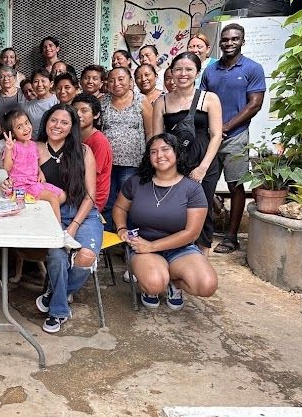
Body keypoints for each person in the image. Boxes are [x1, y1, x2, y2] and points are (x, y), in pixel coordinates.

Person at [112, 133, 218, 310]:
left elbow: (192, 233)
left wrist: (152, 246)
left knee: (206, 285)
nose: (159, 155)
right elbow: (119, 208)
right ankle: (154, 281)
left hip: (180, 248)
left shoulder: (192, 188)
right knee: (154, 284)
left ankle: (175, 283)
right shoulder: (137, 182)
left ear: (177, 153)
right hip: (143, 245)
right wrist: (122, 228)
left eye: (165, 149)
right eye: (153, 152)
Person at [32, 105, 103, 333]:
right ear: (46, 121)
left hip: (83, 213)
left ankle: (54, 292)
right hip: (51, 214)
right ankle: (58, 311)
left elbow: (91, 195)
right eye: (54, 120)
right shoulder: (34, 149)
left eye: (64, 122)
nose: (57, 126)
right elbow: (21, 180)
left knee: (87, 256)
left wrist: (74, 226)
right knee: (57, 256)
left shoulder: (83, 152)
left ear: (72, 127)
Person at [199, 23, 265, 254]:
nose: (229, 43)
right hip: (210, 136)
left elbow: (255, 104)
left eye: (234, 39)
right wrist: (210, 128)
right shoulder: (210, 71)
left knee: (235, 186)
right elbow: (202, 102)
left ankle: (231, 236)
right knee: (204, 185)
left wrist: (225, 126)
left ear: (242, 41)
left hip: (236, 136)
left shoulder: (252, 68)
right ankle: (202, 234)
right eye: (225, 40)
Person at [154, 52, 222, 253]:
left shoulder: (209, 98)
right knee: (175, 209)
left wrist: (203, 168)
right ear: (172, 73)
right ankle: (176, 253)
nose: (183, 74)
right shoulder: (162, 102)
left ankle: (202, 258)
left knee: (203, 209)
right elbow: (157, 139)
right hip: (175, 164)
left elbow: (216, 135)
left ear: (197, 73)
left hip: (204, 162)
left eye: (189, 69)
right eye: (178, 69)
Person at [101, 67, 153, 230]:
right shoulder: (103, 101)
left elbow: (150, 131)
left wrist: (149, 158)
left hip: (133, 162)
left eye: (121, 79)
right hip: (107, 163)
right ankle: (109, 243)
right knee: (108, 201)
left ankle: (129, 243)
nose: (116, 83)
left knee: (128, 202)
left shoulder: (141, 100)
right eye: (112, 80)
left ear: (131, 81)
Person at [2, 110, 65, 223]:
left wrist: (40, 172)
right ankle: (57, 230)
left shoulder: (32, 144)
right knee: (53, 198)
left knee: (62, 195)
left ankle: (44, 217)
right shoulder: (14, 146)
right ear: (12, 132)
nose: (26, 128)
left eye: (27, 123)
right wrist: (9, 149)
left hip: (34, 182)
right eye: (19, 127)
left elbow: (34, 163)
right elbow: (7, 167)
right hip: (22, 186)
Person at [71, 93, 112, 213]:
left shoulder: (99, 141)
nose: (78, 114)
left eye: (84, 111)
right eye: (75, 110)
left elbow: (90, 176)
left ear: (96, 114)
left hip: (92, 198)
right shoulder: (73, 136)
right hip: (77, 194)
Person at [0, 66, 24, 142]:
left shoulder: (23, 93)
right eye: (2, 77)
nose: (6, 79)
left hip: (22, 136)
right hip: (1, 138)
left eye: (9, 76)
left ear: (15, 78)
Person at [24, 70, 59, 139]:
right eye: (36, 81)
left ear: (51, 84)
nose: (39, 84)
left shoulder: (58, 100)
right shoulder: (28, 106)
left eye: (43, 81)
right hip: (36, 144)